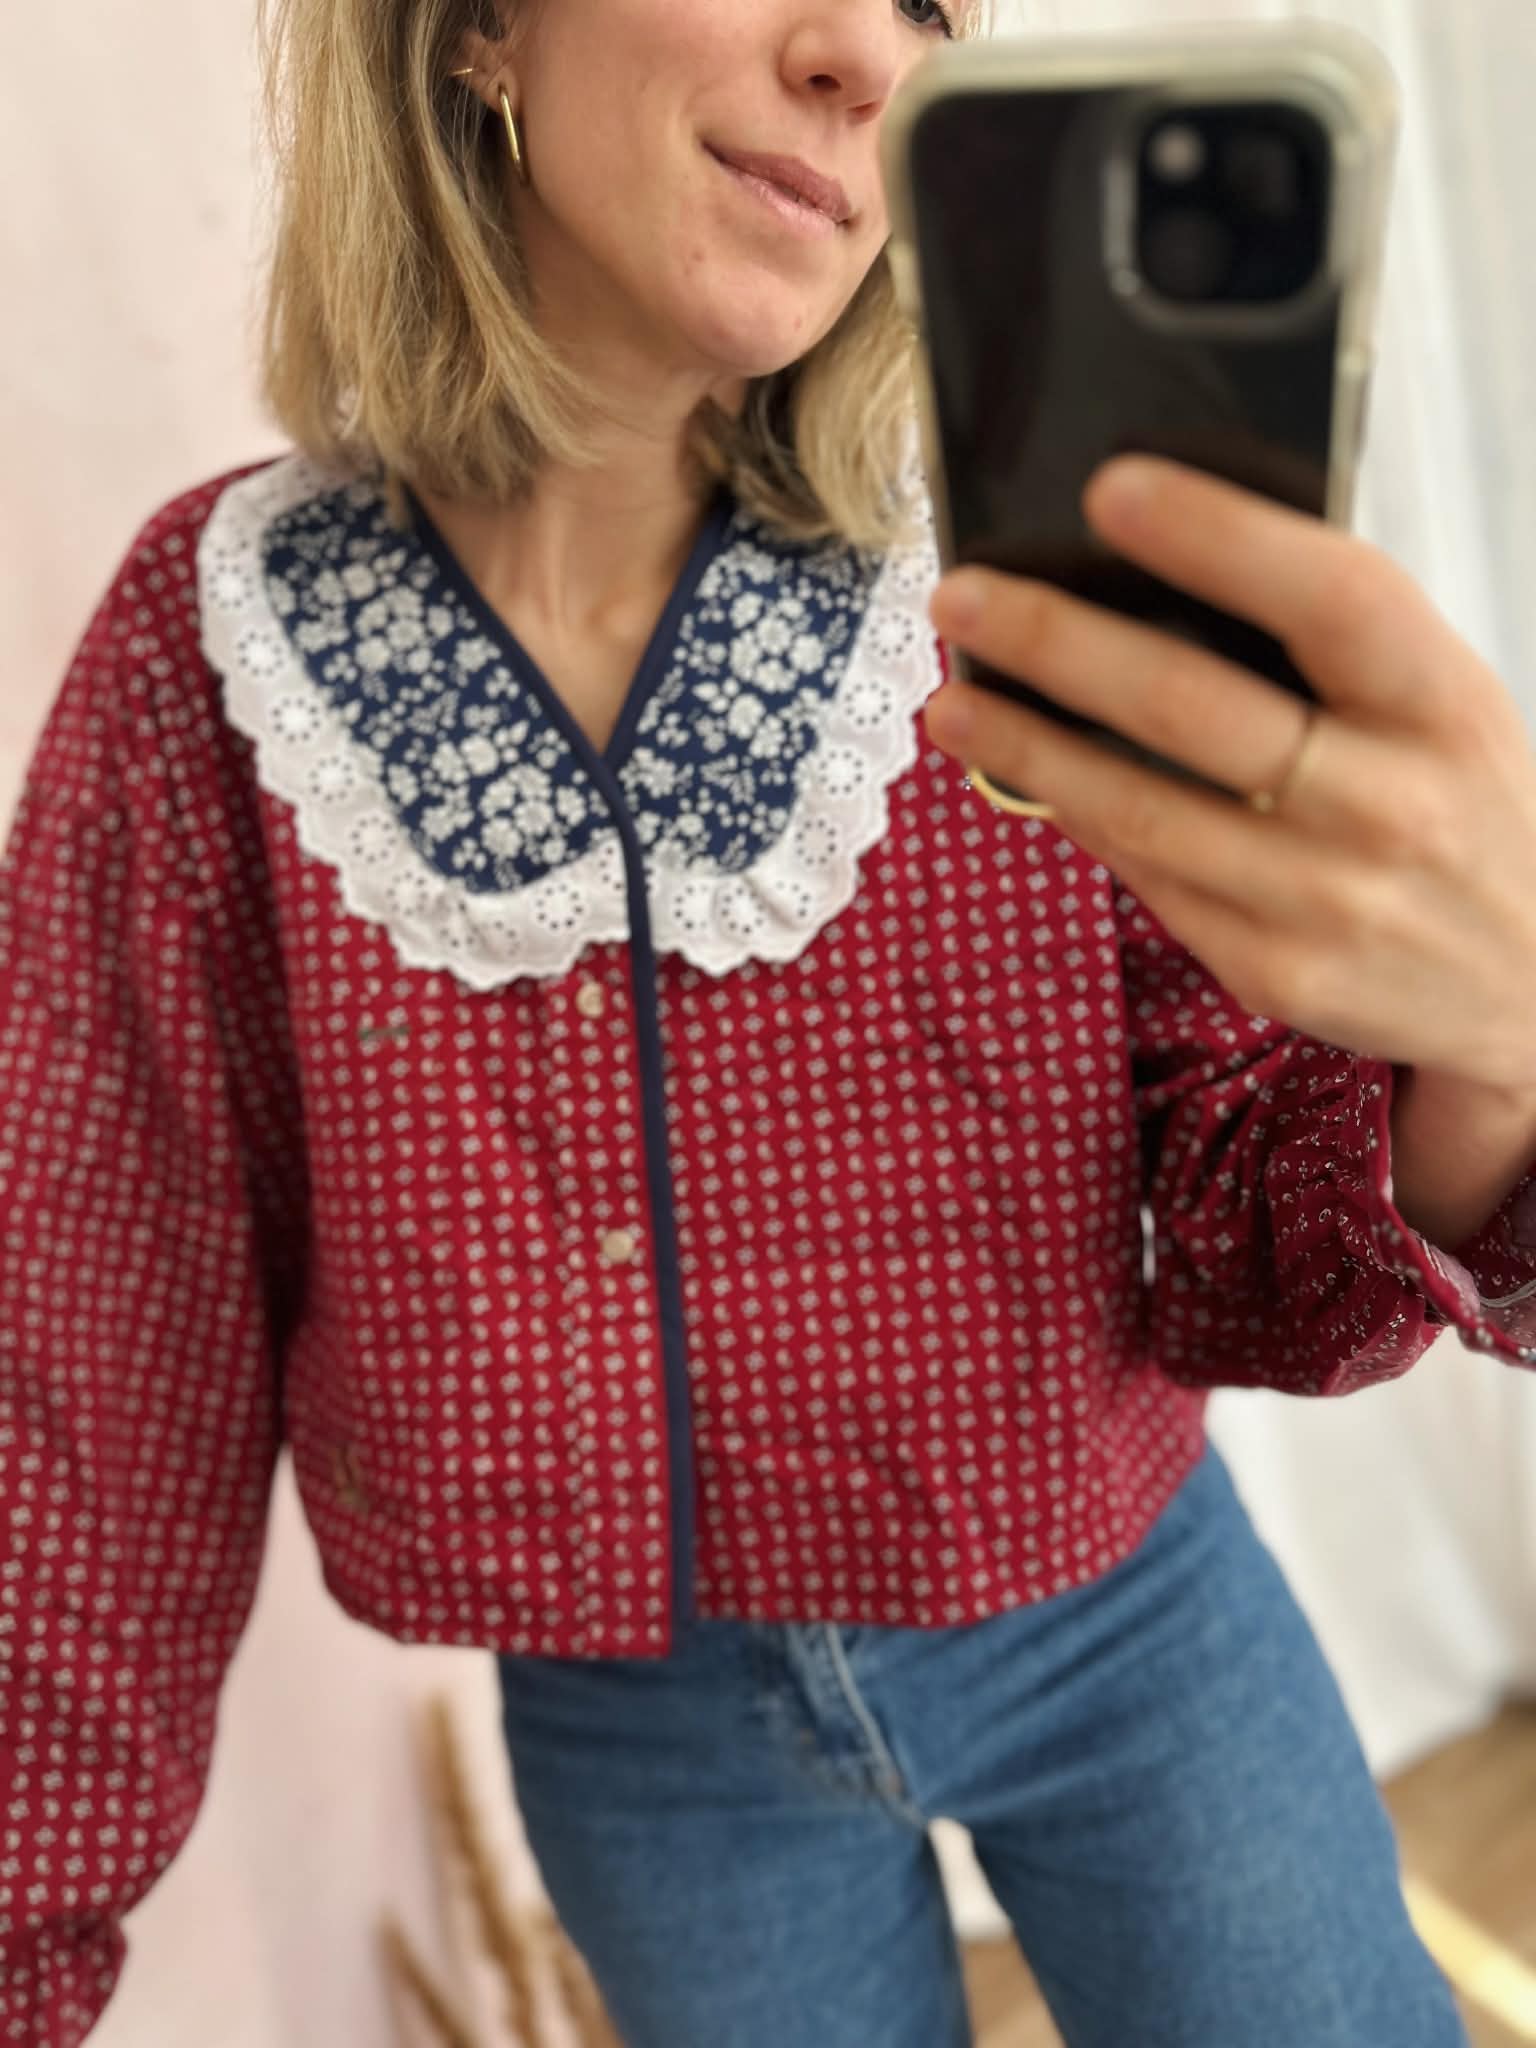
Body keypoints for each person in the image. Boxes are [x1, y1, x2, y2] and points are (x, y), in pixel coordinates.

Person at [3, 1, 1536, 2042]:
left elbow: (1244, 1199)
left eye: (931, 8)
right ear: (479, 28)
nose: (869, 60)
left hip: (1128, 1632)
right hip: (649, 1758)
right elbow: (92, 1362)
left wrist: (1495, 1062)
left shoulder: (1011, 599)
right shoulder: (213, 647)